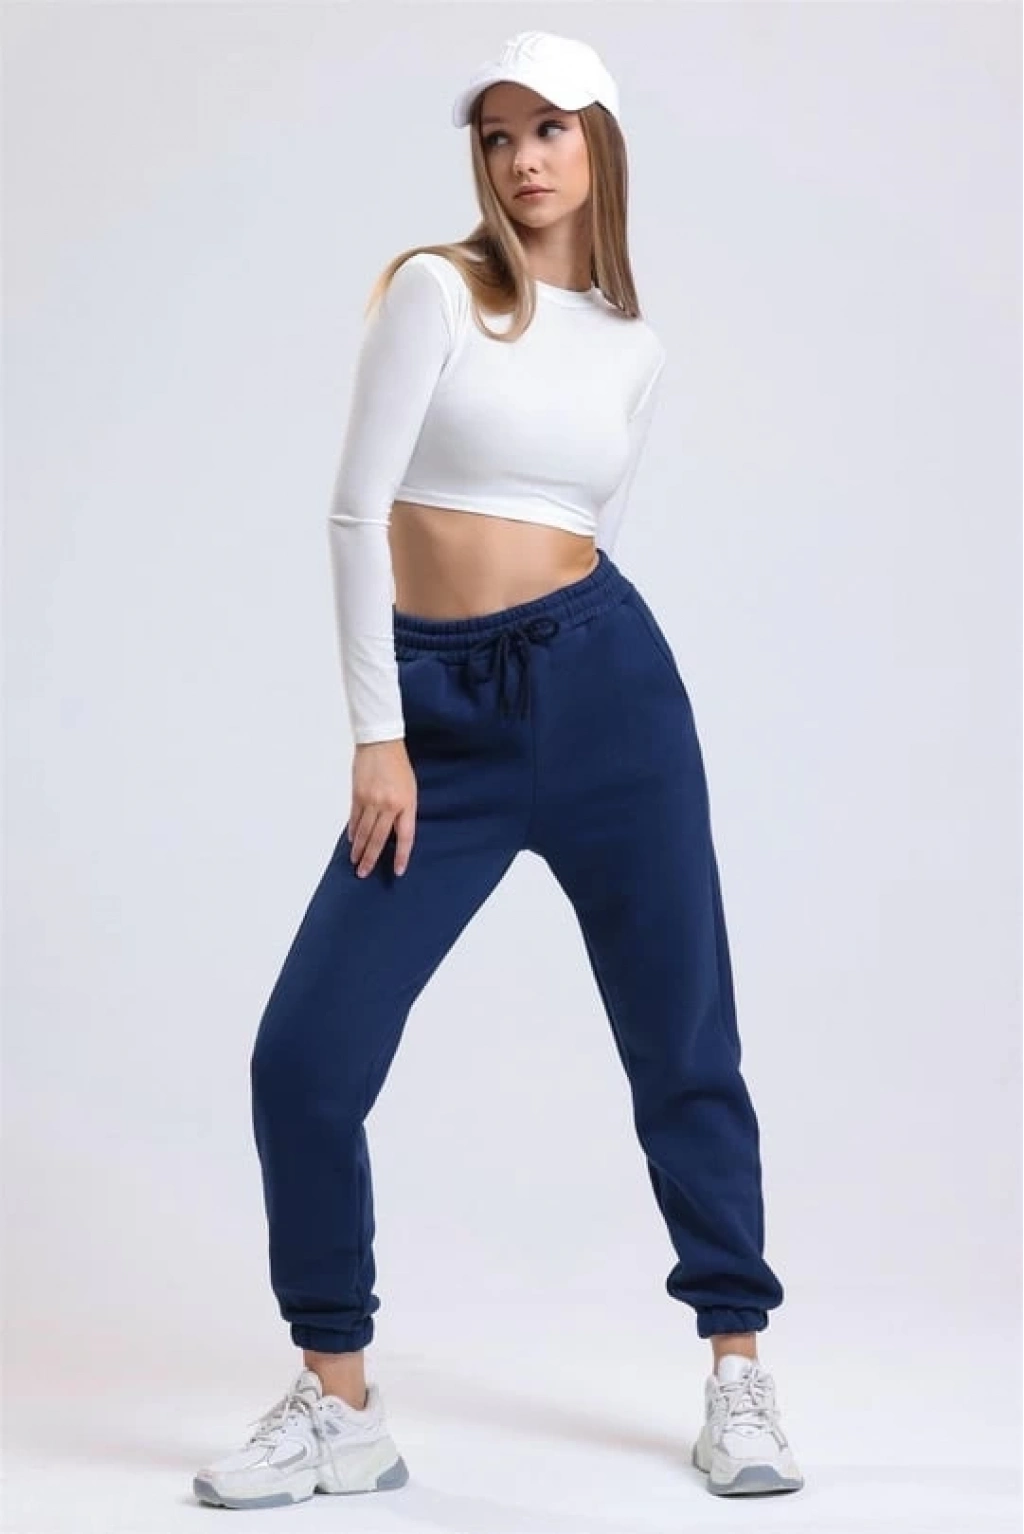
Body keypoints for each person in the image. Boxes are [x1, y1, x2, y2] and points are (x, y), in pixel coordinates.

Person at [192, 29, 804, 1510]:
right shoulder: (437, 291)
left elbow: (583, 525)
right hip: (438, 720)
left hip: (609, 696)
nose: (525, 158)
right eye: (499, 136)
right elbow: (357, 516)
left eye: (552, 129)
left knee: (683, 1040)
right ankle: (340, 1403)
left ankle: (737, 1368)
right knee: (305, 1056)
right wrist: (380, 731)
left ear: (602, 144)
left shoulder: (634, 349)